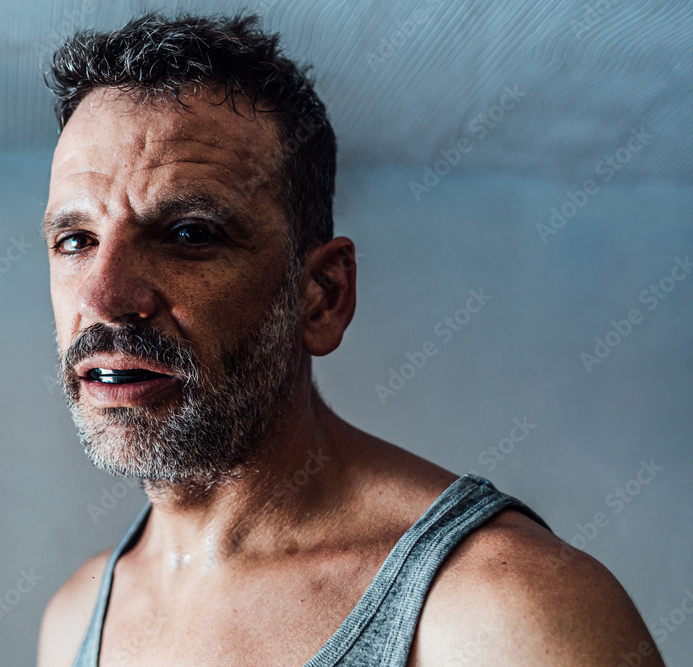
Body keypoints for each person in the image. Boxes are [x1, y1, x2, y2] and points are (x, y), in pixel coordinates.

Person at [37, 13, 662, 667]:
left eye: (190, 233)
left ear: (323, 296)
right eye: (75, 240)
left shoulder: (510, 612)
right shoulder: (77, 616)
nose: (103, 299)